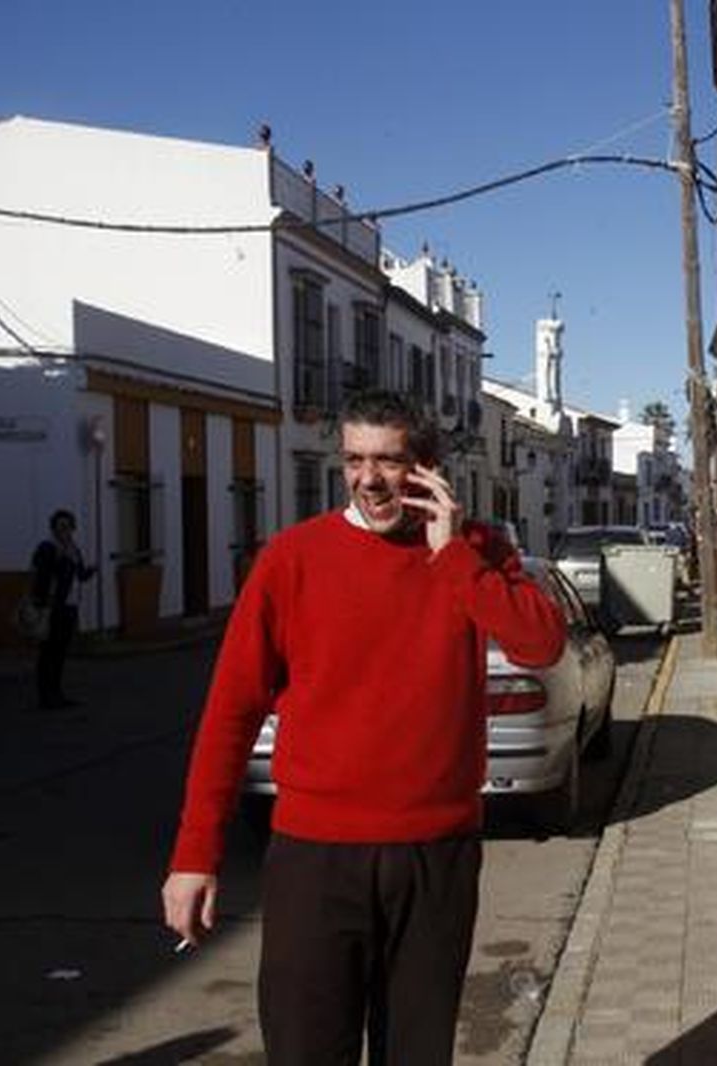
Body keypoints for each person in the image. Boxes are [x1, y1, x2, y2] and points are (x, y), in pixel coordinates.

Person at [161, 390, 566, 1064]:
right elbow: (231, 712)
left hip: (436, 855)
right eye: (354, 460)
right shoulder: (292, 560)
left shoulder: (476, 553)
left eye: (388, 460)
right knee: (306, 1048)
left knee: (417, 1052)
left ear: (427, 467)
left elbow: (541, 644)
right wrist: (194, 855)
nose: (369, 478)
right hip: (314, 857)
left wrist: (456, 557)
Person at [29, 508, 97, 709]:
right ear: (54, 528)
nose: (65, 530)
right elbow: (41, 578)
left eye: (68, 526)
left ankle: (57, 694)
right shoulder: (48, 548)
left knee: (60, 652)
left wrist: (89, 571)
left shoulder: (73, 549)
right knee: (48, 653)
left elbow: (80, 575)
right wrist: (42, 606)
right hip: (53, 609)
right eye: (61, 526)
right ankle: (45, 696)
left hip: (70, 607)